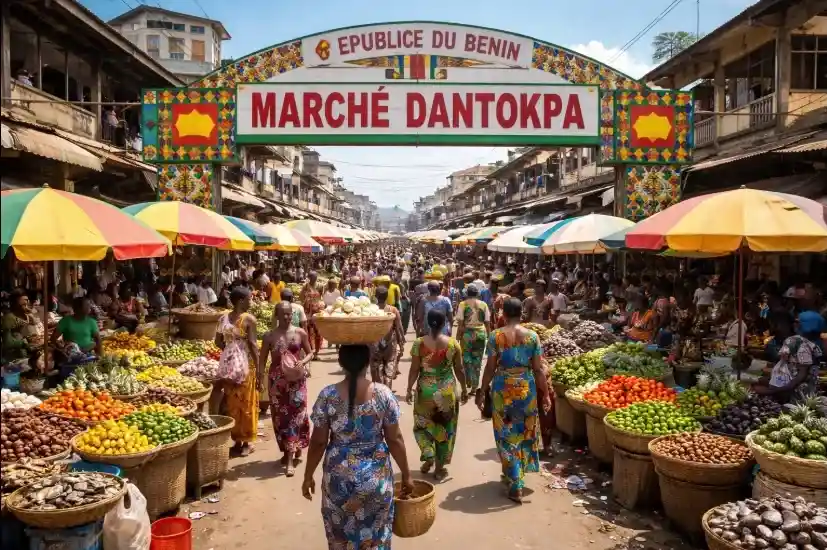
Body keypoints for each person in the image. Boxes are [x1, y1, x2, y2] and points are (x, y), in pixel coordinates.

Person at [303, 345, 414, 548]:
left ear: (340, 362)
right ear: (367, 362)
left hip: (339, 480)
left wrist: (308, 475)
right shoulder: (383, 394)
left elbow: (319, 442)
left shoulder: (328, 396)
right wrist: (406, 474)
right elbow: (395, 439)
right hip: (376, 479)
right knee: (376, 537)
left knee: (341, 537)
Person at [477, 298, 550, 503]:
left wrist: (482, 390)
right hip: (526, 388)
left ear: (504, 314)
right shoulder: (532, 336)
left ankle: (515, 480)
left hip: (503, 388)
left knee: (505, 432)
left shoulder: (496, 336)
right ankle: (515, 473)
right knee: (525, 429)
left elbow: (490, 367)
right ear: (522, 314)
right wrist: (545, 393)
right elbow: (538, 369)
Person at [407, 309, 467, 480]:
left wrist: (408, 388)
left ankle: (428, 452)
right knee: (444, 428)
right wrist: (464, 388)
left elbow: (414, 369)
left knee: (422, 424)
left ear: (428, 322)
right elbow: (459, 369)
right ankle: (439, 469)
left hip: (425, 391)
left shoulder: (419, 343)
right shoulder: (453, 344)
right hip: (446, 392)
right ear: (445, 323)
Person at [260, 302, 313, 475]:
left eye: (289, 313)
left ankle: (290, 459)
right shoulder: (269, 336)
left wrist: (302, 361)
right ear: (276, 315)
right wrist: (259, 379)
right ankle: (288, 449)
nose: (286, 317)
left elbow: (311, 352)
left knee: (296, 415)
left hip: (297, 381)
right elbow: (262, 360)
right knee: (280, 418)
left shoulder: (300, 333)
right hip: (277, 383)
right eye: (283, 314)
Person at [215, 287, 260, 457]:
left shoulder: (223, 318)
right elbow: (253, 346)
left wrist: (230, 351)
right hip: (245, 366)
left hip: (228, 367)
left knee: (232, 403)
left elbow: (218, 342)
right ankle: (246, 442)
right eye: (249, 299)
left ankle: (237, 441)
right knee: (247, 403)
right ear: (241, 301)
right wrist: (260, 369)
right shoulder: (249, 320)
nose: (251, 302)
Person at [456, 284, 491, 396]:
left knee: (466, 359)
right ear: (477, 294)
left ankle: (469, 381)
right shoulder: (484, 304)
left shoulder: (463, 304)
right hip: (480, 334)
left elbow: (460, 324)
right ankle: (475, 386)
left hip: (467, 335)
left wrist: (457, 337)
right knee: (477, 360)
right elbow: (487, 322)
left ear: (467, 294)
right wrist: (489, 336)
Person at [368, 286, 405, 390]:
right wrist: (401, 343)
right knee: (389, 370)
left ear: (375, 296)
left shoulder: (371, 311)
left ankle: (378, 393)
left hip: (374, 345)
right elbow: (399, 328)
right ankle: (387, 391)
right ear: (387, 296)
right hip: (390, 345)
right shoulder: (393, 310)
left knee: (376, 369)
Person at [300, 272, 324, 359]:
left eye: (315, 277)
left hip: (317, 312)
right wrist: (307, 303)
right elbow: (301, 297)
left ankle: (316, 353)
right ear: (309, 278)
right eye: (312, 277)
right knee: (309, 332)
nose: (314, 279)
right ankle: (310, 352)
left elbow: (321, 297)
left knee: (318, 332)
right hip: (308, 313)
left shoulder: (320, 286)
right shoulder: (305, 286)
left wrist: (319, 305)